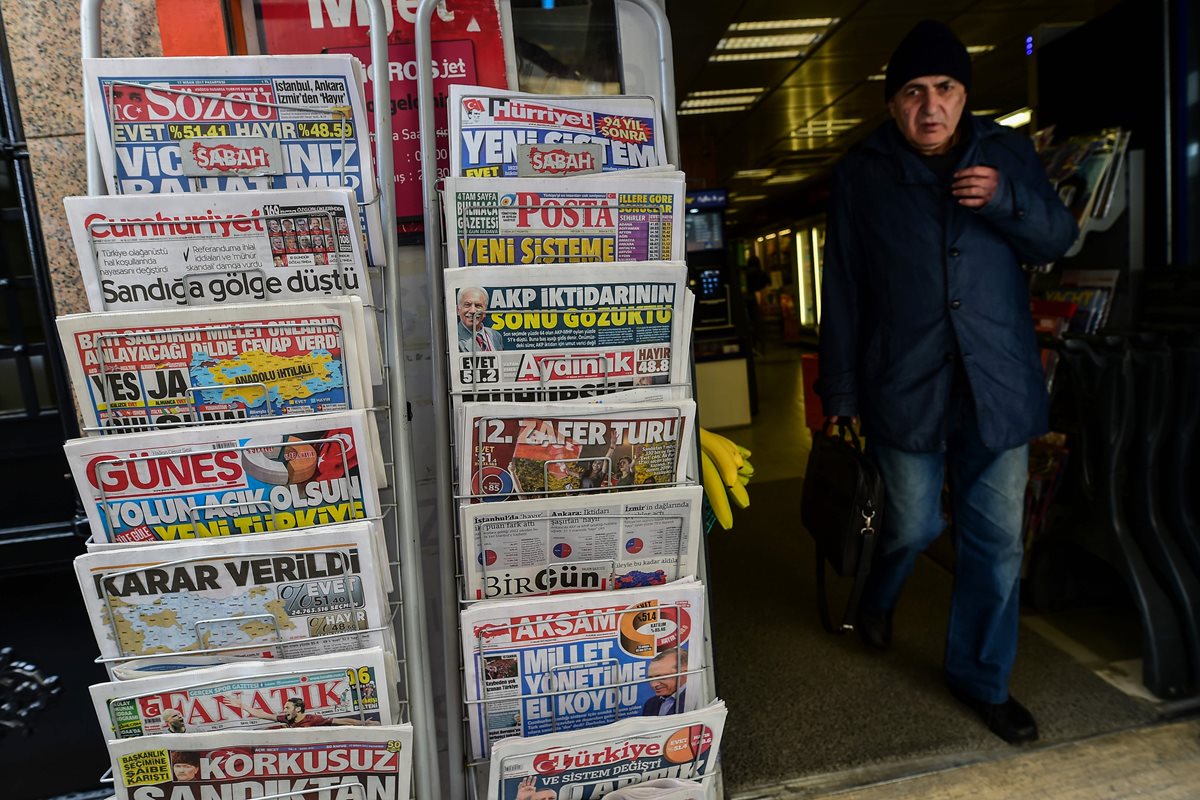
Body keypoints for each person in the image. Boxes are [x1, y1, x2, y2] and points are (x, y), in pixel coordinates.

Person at [816, 20, 1077, 746]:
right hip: (905, 384)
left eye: (947, 89)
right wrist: (839, 398)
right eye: (914, 92)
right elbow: (843, 290)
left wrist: (1005, 200)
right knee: (914, 524)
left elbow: (1059, 239)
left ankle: (981, 680)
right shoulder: (862, 172)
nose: (931, 107)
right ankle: (879, 594)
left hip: (996, 384)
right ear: (893, 101)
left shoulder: (1008, 153)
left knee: (996, 546)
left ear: (965, 95)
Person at [240, 697, 368, 727]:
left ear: (298, 709)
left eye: (288, 708)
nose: (285, 710)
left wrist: (361, 723)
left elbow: (340, 721)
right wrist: (241, 705)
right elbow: (263, 715)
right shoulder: (286, 719)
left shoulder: (313, 719)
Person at [456, 286, 505, 352]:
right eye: (467, 305)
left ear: (485, 311)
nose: (473, 311)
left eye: (478, 305)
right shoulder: (453, 339)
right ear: (458, 310)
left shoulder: (496, 335)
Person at [641, 648, 687, 716]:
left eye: (661, 677)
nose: (653, 685)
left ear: (684, 673)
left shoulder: (698, 698)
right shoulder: (650, 704)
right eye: (650, 678)